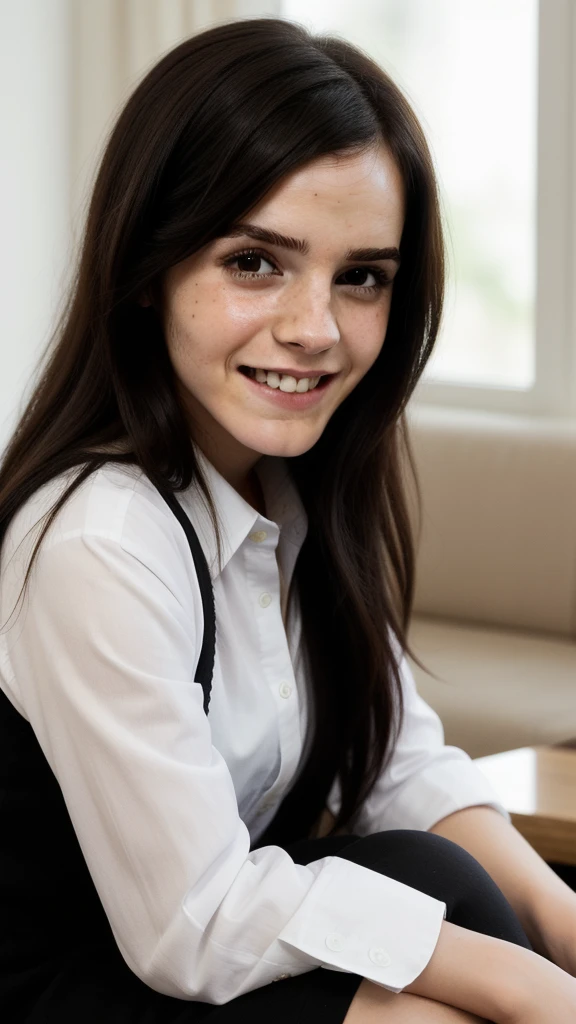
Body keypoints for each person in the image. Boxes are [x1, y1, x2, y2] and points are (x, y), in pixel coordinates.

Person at [0, 15, 576, 1024]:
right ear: (149, 269)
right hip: (73, 979)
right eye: (256, 262)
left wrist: (559, 929)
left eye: (361, 277)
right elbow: (198, 918)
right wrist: (529, 987)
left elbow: (398, 763)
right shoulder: (101, 535)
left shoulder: (289, 483)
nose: (316, 329)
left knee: (440, 874)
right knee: (458, 993)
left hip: (176, 940)